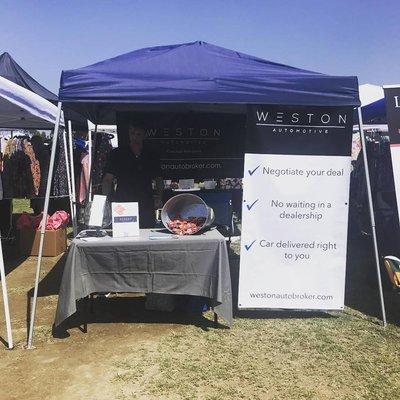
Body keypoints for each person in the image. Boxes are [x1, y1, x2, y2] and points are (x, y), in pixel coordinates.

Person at [102, 124, 163, 228]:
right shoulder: (117, 154)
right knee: (124, 232)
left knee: (147, 232)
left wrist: (159, 198)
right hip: (123, 201)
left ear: (144, 136)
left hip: (146, 202)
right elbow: (107, 180)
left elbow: (159, 179)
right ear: (129, 135)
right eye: (132, 134)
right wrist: (106, 201)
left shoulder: (151, 155)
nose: (135, 137)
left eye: (139, 134)